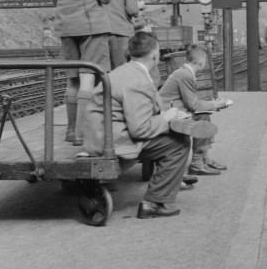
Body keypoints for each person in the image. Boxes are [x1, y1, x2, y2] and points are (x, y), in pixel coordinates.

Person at [82, 32, 213, 218]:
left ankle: (164, 188)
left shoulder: (124, 71)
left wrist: (167, 115)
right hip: (112, 142)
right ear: (155, 55)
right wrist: (167, 118)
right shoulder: (138, 80)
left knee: (170, 137)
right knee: (178, 144)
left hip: (102, 134)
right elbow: (140, 129)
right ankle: (155, 202)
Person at [47, 0, 112, 145]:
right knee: (88, 77)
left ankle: (71, 131)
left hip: (66, 26)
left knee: (72, 80)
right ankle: (83, 134)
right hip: (91, 25)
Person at [158, 44, 232, 175]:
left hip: (172, 109)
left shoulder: (183, 72)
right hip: (167, 113)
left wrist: (211, 104)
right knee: (203, 117)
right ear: (202, 61)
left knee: (204, 115)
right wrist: (216, 105)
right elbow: (193, 105)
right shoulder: (185, 75)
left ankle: (203, 158)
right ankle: (197, 162)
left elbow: (191, 102)